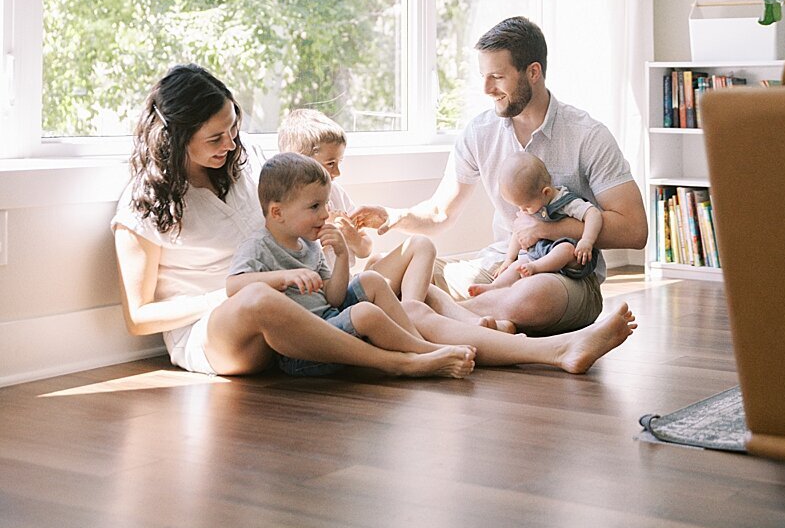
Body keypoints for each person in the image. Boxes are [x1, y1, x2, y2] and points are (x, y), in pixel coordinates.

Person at [112, 62, 637, 378]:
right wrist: (235, 291)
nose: (231, 146)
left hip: (306, 302)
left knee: (409, 285)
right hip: (227, 331)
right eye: (215, 139)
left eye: (234, 129)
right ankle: (402, 364)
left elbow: (293, 221)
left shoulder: (244, 168)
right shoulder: (143, 204)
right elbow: (139, 316)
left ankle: (552, 350)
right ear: (174, 137)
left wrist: (333, 238)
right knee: (257, 297)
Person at [353, 15, 648, 336]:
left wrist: (547, 229)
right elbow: (440, 212)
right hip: (497, 267)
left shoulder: (587, 135)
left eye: (497, 76)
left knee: (532, 297)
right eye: (483, 76)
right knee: (381, 272)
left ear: (533, 72)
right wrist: (394, 216)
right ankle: (461, 321)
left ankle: (430, 317)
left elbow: (634, 230)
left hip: (565, 274)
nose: (486, 88)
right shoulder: (480, 132)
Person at [228, 152, 475, 377]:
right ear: (277, 212)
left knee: (371, 279)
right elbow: (233, 286)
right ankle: (426, 352)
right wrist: (283, 277)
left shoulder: (310, 244)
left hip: (331, 319)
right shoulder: (257, 246)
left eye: (325, 204)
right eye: (315, 206)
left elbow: (333, 298)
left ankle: (419, 344)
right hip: (304, 351)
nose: (325, 214)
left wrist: (343, 255)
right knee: (364, 313)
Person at [277, 108, 436, 302]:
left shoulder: (335, 192)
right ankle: (413, 313)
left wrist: (351, 237)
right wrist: (327, 234)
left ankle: (413, 308)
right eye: (330, 163)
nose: (338, 172)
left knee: (417, 246)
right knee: (384, 271)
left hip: (350, 288)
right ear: (301, 161)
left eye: (339, 162)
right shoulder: (286, 211)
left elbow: (365, 248)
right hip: (327, 299)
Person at [467, 153, 602, 297]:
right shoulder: (533, 202)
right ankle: (495, 287)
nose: (522, 210)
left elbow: (593, 214)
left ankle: (535, 268)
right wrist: (509, 259)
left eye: (526, 207)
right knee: (518, 266)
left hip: (572, 259)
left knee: (565, 249)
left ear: (546, 192)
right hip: (538, 255)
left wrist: (587, 240)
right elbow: (517, 233)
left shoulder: (566, 202)